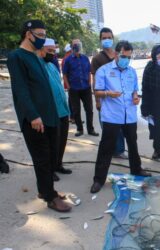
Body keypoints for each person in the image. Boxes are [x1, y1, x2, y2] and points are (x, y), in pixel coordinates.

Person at [7, 20, 71, 212]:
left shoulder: (36, 56)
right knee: (42, 157)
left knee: (51, 154)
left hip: (50, 115)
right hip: (35, 119)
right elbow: (21, 89)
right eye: (40, 35)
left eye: (44, 35)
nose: (43, 39)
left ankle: (45, 190)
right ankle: (50, 197)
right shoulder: (17, 57)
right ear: (28, 34)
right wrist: (33, 115)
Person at [90, 41, 151, 194]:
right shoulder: (103, 70)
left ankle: (136, 170)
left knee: (132, 143)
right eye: (124, 56)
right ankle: (98, 179)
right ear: (116, 54)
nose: (126, 60)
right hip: (112, 115)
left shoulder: (131, 71)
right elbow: (97, 91)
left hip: (129, 114)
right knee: (106, 147)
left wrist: (136, 97)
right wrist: (108, 94)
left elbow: (134, 90)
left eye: (129, 57)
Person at [37, 38, 72, 180]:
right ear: (40, 50)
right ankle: (50, 170)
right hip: (50, 112)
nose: (52, 53)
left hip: (63, 110)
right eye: (49, 51)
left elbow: (59, 87)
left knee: (62, 140)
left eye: (54, 51)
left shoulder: (52, 66)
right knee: (51, 143)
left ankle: (58, 164)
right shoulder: (37, 67)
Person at [91, 27, 127, 160]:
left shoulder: (119, 55)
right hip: (105, 97)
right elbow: (95, 80)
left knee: (121, 126)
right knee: (107, 126)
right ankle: (110, 150)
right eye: (104, 38)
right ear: (100, 40)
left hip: (120, 97)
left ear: (113, 38)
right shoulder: (97, 59)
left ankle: (119, 150)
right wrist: (97, 100)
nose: (107, 40)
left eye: (109, 38)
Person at [63, 39, 99, 137]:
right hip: (74, 89)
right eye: (75, 45)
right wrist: (69, 87)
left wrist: (89, 83)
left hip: (86, 88)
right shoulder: (68, 60)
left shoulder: (85, 58)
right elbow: (65, 74)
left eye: (78, 44)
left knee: (89, 110)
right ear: (72, 46)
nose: (77, 46)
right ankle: (79, 129)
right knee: (76, 110)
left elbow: (89, 72)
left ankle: (90, 129)